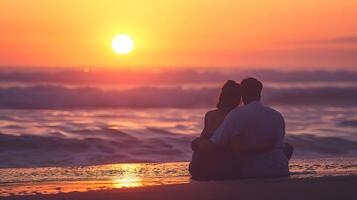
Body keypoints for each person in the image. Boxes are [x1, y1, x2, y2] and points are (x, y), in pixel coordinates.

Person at [191, 78, 293, 179]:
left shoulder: (236, 115)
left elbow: (216, 146)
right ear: (260, 93)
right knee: (286, 147)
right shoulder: (277, 115)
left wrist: (197, 142)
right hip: (281, 170)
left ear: (242, 95)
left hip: (254, 173)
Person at [189, 80, 241, 180]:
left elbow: (201, 141)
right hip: (226, 169)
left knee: (198, 143)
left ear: (222, 96)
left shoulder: (210, 115)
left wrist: (197, 142)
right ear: (238, 99)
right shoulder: (238, 117)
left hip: (200, 168)